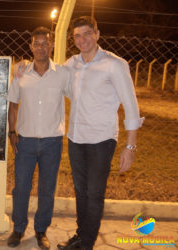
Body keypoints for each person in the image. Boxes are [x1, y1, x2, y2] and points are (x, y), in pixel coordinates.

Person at [56, 16, 144, 250]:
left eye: (87, 33)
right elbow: (53, 80)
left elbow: (131, 105)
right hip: (76, 137)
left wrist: (130, 146)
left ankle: (87, 244)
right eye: (77, 35)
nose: (82, 39)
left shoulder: (114, 64)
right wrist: (25, 66)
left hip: (101, 140)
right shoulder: (71, 64)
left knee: (94, 193)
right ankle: (81, 235)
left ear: (97, 34)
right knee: (81, 192)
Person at [6, 27, 71, 249]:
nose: (41, 47)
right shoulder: (21, 72)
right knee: (21, 187)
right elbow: (13, 105)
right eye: (36, 43)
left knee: (47, 189)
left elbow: (79, 95)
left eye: (45, 43)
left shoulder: (63, 74)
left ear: (51, 46)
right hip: (26, 142)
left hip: (53, 141)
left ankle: (41, 230)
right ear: (30, 46)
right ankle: (18, 227)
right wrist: (12, 132)